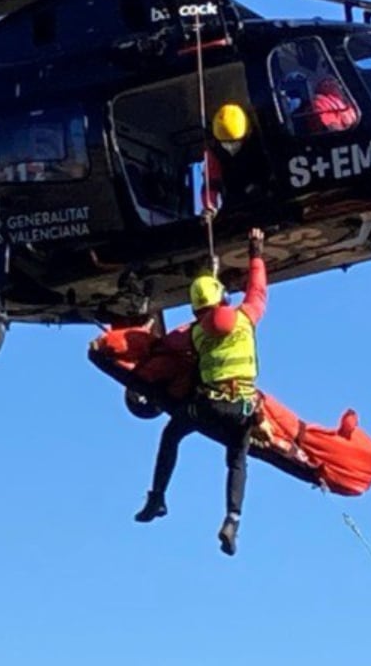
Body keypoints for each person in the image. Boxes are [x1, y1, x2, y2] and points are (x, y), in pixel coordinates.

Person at [134, 227, 269, 555]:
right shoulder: (246, 318)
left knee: (171, 434)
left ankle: (157, 498)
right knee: (238, 460)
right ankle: (232, 520)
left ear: (196, 310)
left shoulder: (194, 333)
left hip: (206, 406)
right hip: (242, 408)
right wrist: (255, 251)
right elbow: (258, 289)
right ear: (223, 298)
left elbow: (166, 344)